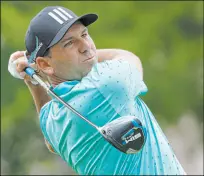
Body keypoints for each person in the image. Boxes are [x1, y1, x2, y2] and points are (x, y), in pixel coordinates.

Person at [8, 6, 186, 175]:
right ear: (45, 64)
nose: (85, 46)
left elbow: (51, 143)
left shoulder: (53, 120)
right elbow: (128, 57)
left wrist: (32, 80)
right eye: (69, 43)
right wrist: (35, 68)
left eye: (84, 34)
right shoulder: (104, 86)